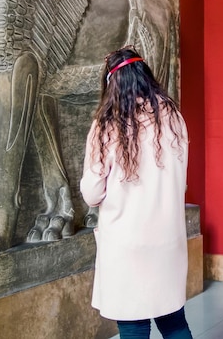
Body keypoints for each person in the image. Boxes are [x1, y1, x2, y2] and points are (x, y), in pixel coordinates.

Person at [80, 47, 193, 339]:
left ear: (111, 84)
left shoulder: (106, 126)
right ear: (146, 77)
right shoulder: (174, 119)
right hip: (168, 239)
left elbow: (92, 193)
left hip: (126, 244)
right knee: (173, 321)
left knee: (133, 325)